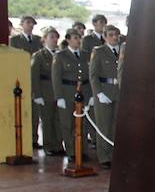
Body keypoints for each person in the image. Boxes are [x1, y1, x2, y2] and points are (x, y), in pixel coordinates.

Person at [52, 29, 93, 161]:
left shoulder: (86, 54)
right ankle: (71, 152)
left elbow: (90, 76)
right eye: (75, 38)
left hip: (84, 91)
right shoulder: (60, 56)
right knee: (68, 124)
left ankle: (83, 150)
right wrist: (59, 97)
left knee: (83, 123)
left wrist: (91, 94)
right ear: (68, 39)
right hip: (67, 92)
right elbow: (56, 77)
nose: (78, 40)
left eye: (79, 38)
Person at [89, 25, 122, 168]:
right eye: (111, 35)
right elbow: (93, 75)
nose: (114, 37)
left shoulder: (122, 51)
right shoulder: (99, 51)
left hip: (119, 92)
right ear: (105, 37)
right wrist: (99, 93)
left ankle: (115, 154)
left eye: (116, 34)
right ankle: (104, 157)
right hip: (104, 91)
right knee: (104, 125)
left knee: (116, 125)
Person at [30, 27, 64, 155]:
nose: (55, 40)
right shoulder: (39, 56)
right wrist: (37, 94)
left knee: (58, 120)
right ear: (44, 39)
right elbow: (34, 76)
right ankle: (48, 146)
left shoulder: (60, 55)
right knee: (47, 120)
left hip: (59, 91)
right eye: (51, 37)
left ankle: (58, 145)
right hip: (45, 91)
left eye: (56, 37)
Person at [11, 15, 42, 147]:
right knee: (22, 109)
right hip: (21, 77)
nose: (31, 25)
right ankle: (21, 138)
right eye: (28, 22)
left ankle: (34, 139)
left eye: (32, 23)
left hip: (36, 79)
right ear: (22, 24)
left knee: (35, 112)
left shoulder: (38, 40)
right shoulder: (15, 40)